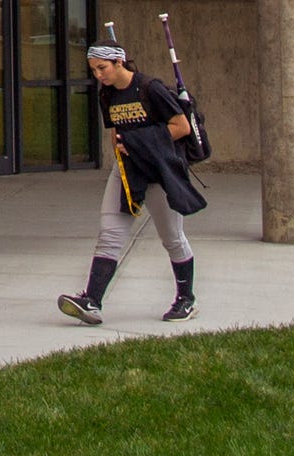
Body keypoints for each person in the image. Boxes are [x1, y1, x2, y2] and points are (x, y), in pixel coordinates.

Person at [57, 31, 207, 325]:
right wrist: (123, 150)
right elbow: (115, 131)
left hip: (159, 172)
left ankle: (186, 300)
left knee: (172, 238)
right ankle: (92, 301)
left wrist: (140, 142)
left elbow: (180, 127)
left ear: (119, 61)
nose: (99, 75)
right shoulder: (107, 93)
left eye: (103, 68)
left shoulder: (150, 89)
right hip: (126, 171)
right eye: (94, 70)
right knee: (110, 234)